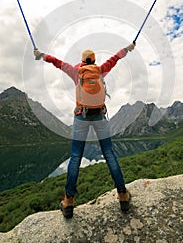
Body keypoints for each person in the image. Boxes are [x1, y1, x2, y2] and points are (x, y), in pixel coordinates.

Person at [34, 43, 135, 218]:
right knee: (109, 153)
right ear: (94, 61)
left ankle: (69, 201)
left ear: (82, 61)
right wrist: (128, 48)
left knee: (75, 157)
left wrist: (42, 55)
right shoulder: (101, 69)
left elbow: (57, 62)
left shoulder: (76, 71)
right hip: (99, 116)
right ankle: (122, 195)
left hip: (81, 115)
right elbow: (116, 58)